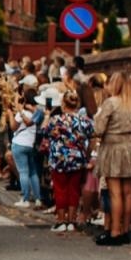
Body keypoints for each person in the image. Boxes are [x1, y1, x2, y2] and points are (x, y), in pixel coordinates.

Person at [91, 72, 131, 245]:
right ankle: (125, 230)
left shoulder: (111, 103)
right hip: (129, 147)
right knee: (128, 191)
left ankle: (114, 232)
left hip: (113, 148)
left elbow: (99, 128)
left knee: (115, 192)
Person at [44, 92, 93, 233]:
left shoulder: (55, 120)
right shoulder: (84, 121)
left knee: (60, 189)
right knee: (74, 190)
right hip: (77, 158)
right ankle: (72, 220)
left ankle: (61, 220)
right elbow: (92, 134)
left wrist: (47, 115)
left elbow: (44, 131)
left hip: (59, 158)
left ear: (63, 104)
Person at [10, 87, 44, 208]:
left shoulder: (22, 114)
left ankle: (25, 198)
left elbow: (13, 127)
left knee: (23, 172)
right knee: (33, 172)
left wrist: (11, 113)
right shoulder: (37, 113)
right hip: (30, 145)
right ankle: (38, 198)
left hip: (19, 144)